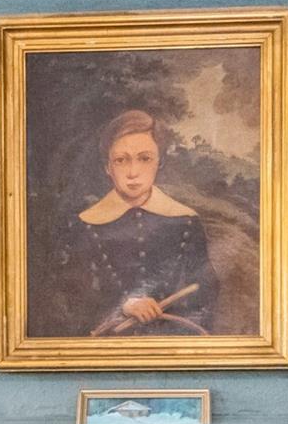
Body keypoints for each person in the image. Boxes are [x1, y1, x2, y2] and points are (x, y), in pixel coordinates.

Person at [48, 109, 220, 338]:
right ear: (108, 167)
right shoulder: (85, 225)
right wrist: (124, 306)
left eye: (144, 158)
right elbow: (72, 302)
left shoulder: (187, 221)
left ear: (159, 162)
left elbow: (205, 295)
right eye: (121, 160)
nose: (133, 172)